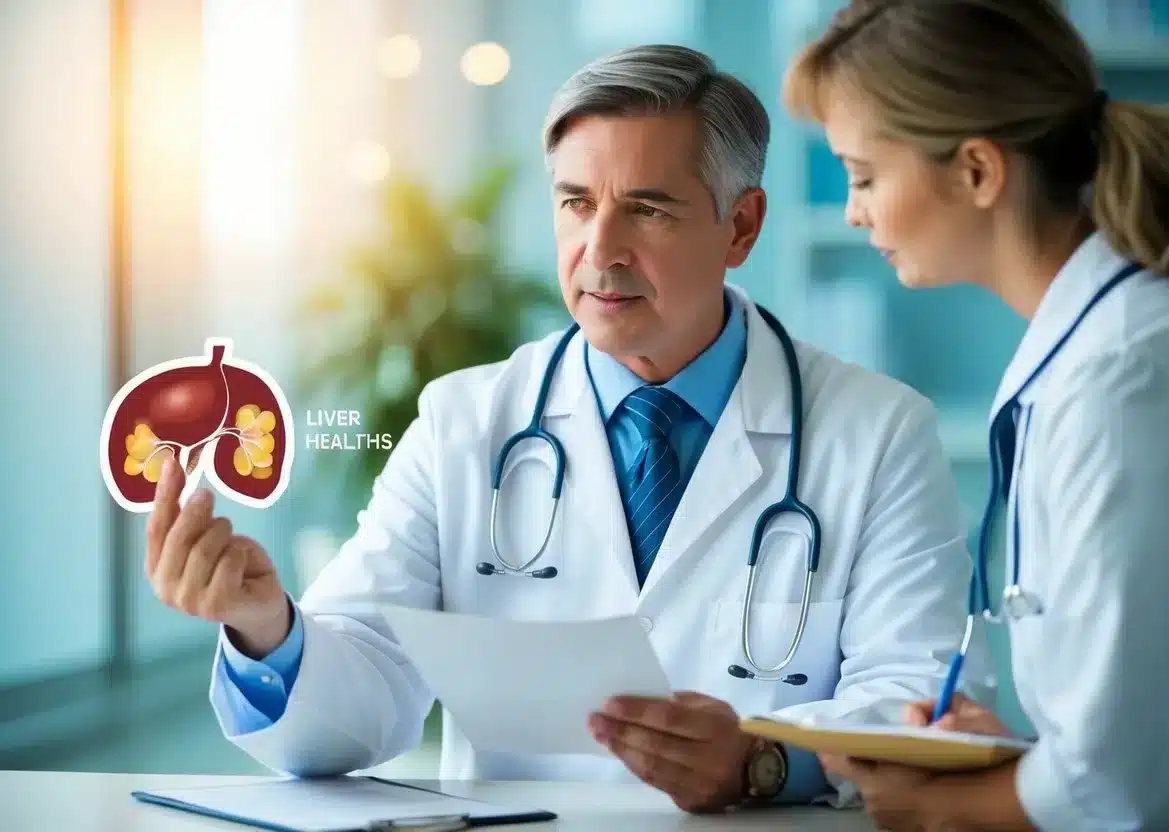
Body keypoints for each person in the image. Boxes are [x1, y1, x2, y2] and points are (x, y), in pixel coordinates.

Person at [144, 44, 993, 814]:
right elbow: (360, 702)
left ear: (740, 226)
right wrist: (265, 625)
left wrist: (760, 760)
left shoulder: (877, 434)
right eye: (576, 203)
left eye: (648, 209)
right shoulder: (463, 421)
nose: (599, 249)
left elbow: (919, 695)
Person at [780, 1, 1169, 829]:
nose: (852, 210)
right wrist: (1012, 761)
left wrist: (936, 808)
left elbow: (1121, 788)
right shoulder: (1095, 351)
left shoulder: (1124, 377)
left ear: (976, 172)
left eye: (864, 175)